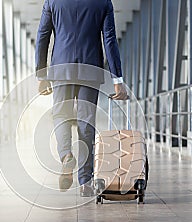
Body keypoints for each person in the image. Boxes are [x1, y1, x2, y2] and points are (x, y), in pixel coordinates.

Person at [35, 0, 127, 197]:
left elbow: (43, 36)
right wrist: (117, 79)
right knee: (86, 122)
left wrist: (41, 75)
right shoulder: (103, 2)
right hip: (90, 69)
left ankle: (66, 155)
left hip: (61, 69)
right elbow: (109, 39)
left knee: (61, 115)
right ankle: (85, 181)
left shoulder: (53, 1)